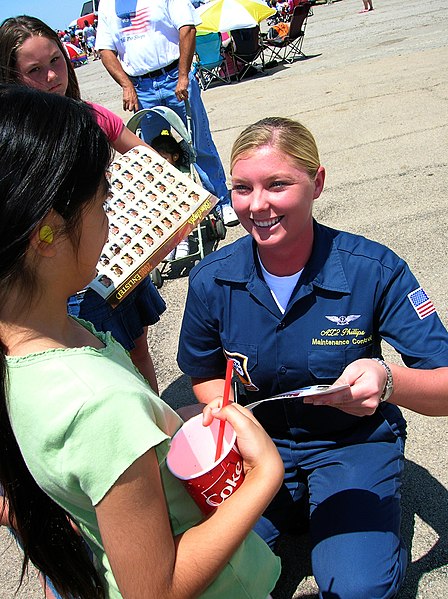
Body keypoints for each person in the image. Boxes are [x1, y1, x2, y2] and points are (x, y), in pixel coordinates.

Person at [0, 85, 283, 599]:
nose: (114, 223)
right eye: (104, 203)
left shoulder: (43, 344)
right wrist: (265, 474)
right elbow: (157, 588)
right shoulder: (97, 405)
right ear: (46, 234)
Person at [177, 117, 448, 598]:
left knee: (358, 589)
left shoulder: (373, 269)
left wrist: (388, 382)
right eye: (242, 188)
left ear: (316, 182)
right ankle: (296, 511)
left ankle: (366, 536)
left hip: (350, 446)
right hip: (259, 449)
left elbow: (444, 385)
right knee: (201, 576)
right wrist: (225, 417)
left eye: (277, 184)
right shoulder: (211, 281)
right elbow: (202, 374)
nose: (257, 204)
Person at [0, 15, 166, 392]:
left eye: (56, 61)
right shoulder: (13, 139)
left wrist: (150, 220)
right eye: (35, 70)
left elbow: (149, 162)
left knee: (136, 349)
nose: (52, 76)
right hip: (64, 277)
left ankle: (157, 426)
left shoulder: (90, 115)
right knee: (92, 363)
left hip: (114, 259)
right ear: (10, 75)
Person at [95, 0, 239, 227]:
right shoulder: (107, 5)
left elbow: (187, 28)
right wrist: (126, 85)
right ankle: (173, 216)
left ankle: (221, 202)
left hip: (174, 77)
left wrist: (183, 75)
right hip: (141, 87)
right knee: (154, 157)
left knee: (198, 144)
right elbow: (105, 50)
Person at [151, 132, 191, 260]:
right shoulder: (154, 175)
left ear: (175, 157)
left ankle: (183, 241)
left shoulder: (183, 173)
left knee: (179, 215)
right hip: (163, 209)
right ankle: (169, 245)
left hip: (181, 207)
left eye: (164, 159)